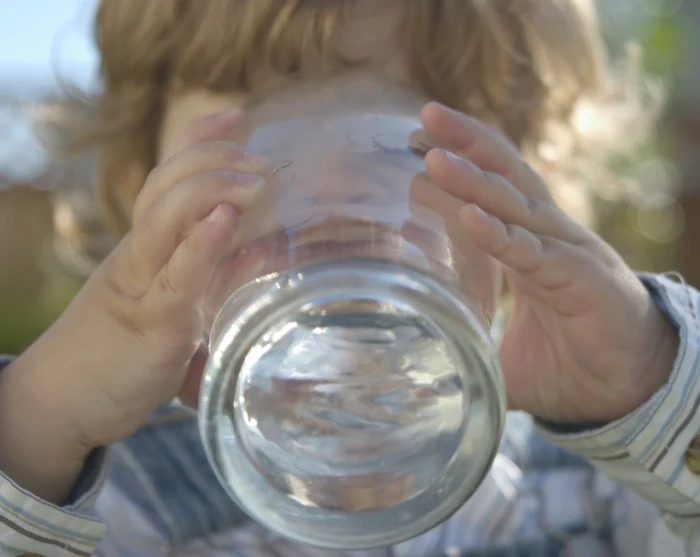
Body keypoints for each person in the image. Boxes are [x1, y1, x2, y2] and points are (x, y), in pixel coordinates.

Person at [0, 0, 699, 555]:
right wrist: (33, 423)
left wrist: (650, 372)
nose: (330, 168)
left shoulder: (618, 478)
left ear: (526, 188)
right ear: (138, 183)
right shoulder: (104, 493)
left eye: (400, 119)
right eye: (259, 109)